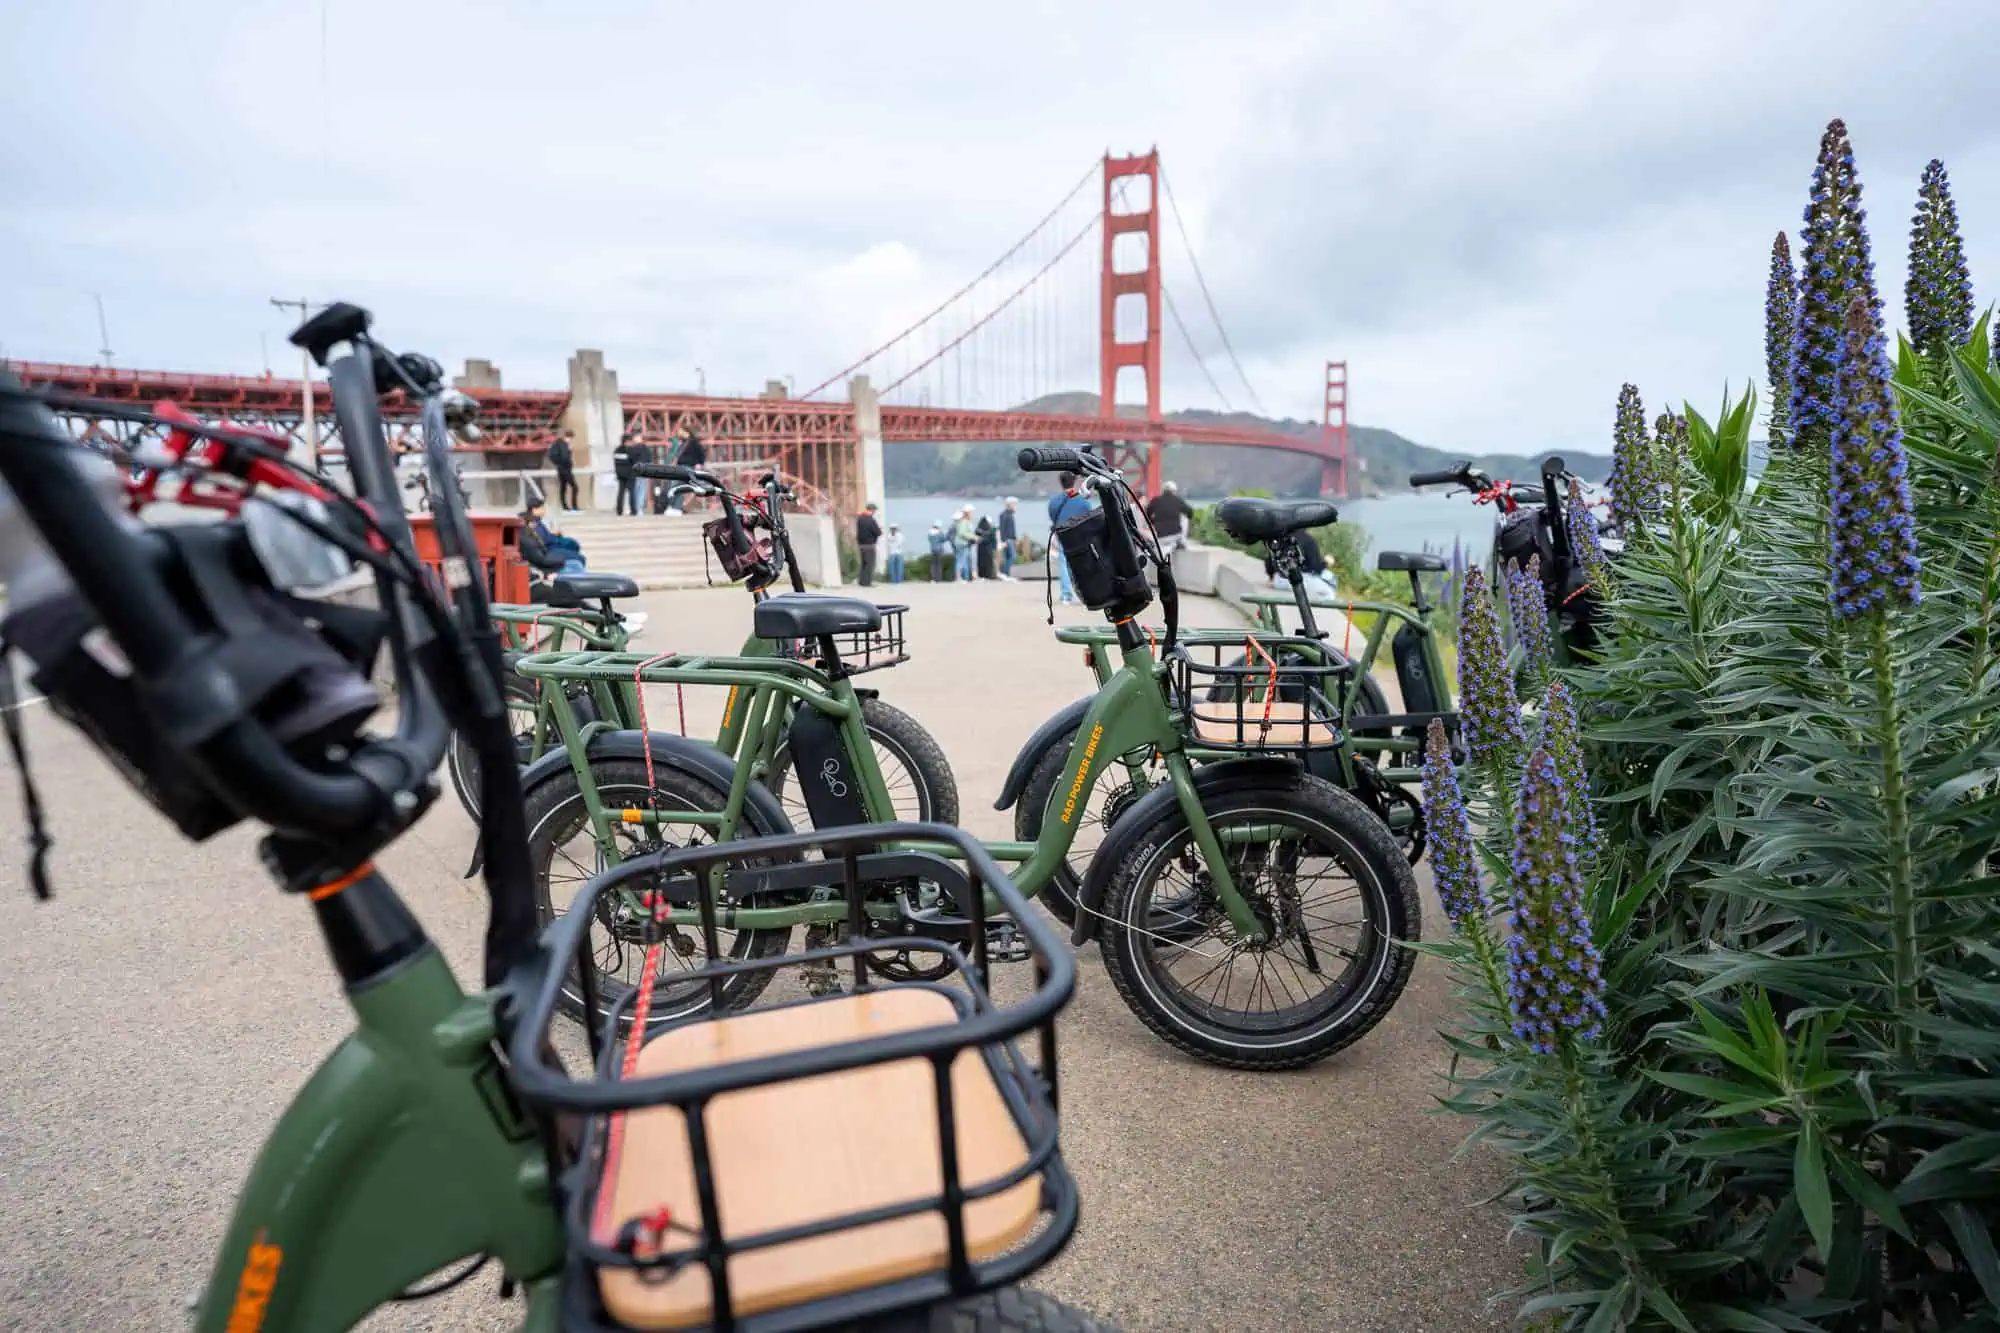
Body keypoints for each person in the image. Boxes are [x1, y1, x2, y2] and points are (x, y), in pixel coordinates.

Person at [1047, 472, 1094, 605]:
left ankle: (1066, 595)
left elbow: (1052, 516)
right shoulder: (1083, 501)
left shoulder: (1054, 501)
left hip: (1063, 534)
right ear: (1074, 482)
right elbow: (1088, 518)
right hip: (1080, 535)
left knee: (1063, 562)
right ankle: (1086, 593)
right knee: (1083, 564)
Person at [520, 497, 587, 579]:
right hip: (549, 563)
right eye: (542, 508)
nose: (544, 510)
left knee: (576, 561)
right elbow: (541, 560)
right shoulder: (529, 542)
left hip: (549, 559)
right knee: (577, 562)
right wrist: (561, 561)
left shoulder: (532, 535)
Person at [1147, 479, 1192, 556]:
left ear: (1163, 490)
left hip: (1160, 534)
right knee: (1185, 518)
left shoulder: (1156, 500)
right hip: (1175, 534)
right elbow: (1190, 512)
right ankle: (1182, 541)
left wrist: (1153, 521)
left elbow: (1147, 513)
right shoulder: (1178, 500)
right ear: (1174, 491)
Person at [546, 433, 579, 511]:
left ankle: (564, 507)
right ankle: (574, 507)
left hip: (560, 469)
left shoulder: (557, 444)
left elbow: (552, 455)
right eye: (570, 438)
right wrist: (569, 450)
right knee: (575, 487)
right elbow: (565, 457)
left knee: (563, 488)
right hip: (565, 469)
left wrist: (558, 464)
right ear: (567, 437)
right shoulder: (564, 445)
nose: (571, 440)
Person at [856, 502, 882, 586]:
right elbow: (878, 532)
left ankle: (861, 581)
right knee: (869, 564)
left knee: (863, 564)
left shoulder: (860, 519)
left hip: (861, 545)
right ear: (872, 510)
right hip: (869, 545)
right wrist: (880, 530)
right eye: (874, 510)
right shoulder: (871, 520)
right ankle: (867, 583)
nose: (875, 512)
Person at [612, 435, 639, 516]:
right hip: (630, 474)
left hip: (620, 474)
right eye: (630, 441)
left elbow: (615, 462)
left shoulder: (616, 450)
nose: (632, 443)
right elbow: (635, 461)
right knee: (632, 493)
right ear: (626, 442)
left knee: (621, 493)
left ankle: (619, 510)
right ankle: (633, 510)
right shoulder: (630, 450)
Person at [998, 497, 1020, 580]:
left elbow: (1012, 529)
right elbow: (1002, 528)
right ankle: (1007, 573)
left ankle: (1006, 573)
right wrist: (1003, 540)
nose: (1015, 506)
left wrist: (1015, 538)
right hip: (1007, 539)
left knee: (1009, 557)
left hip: (1011, 539)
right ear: (1009, 504)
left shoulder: (1010, 514)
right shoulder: (1004, 515)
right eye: (1014, 504)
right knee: (1012, 556)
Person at [952, 507, 976, 582]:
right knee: (961, 560)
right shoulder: (964, 521)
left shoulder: (964, 521)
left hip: (962, 543)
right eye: (971, 512)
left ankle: (964, 577)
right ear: (967, 513)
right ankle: (959, 578)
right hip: (962, 543)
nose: (972, 514)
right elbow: (962, 533)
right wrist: (974, 537)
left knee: (962, 560)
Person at [975, 513, 998, 580]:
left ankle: (982, 575)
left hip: (980, 548)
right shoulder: (990, 529)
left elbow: (976, 535)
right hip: (988, 548)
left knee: (981, 562)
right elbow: (992, 538)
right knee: (989, 562)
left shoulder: (978, 529)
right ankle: (989, 575)